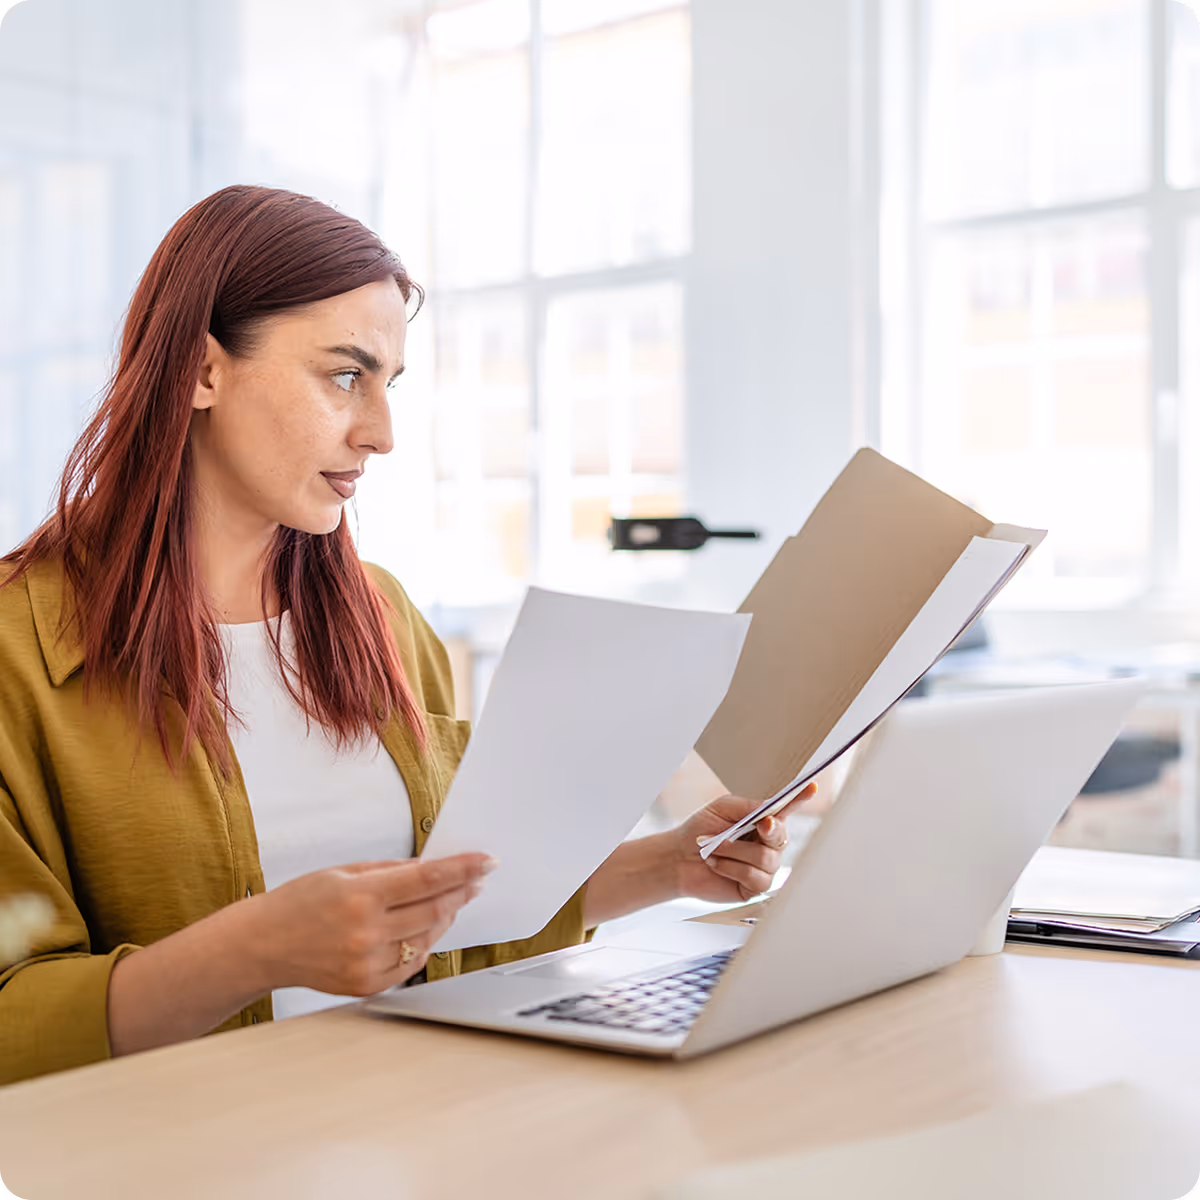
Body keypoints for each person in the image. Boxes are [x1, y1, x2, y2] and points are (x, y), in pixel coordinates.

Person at [0, 186, 809, 1085]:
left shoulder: (377, 617)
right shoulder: (16, 654)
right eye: (345, 375)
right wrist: (250, 952)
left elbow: (455, 918)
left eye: (388, 385)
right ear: (201, 370)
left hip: (408, 1122)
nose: (380, 433)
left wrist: (671, 865)